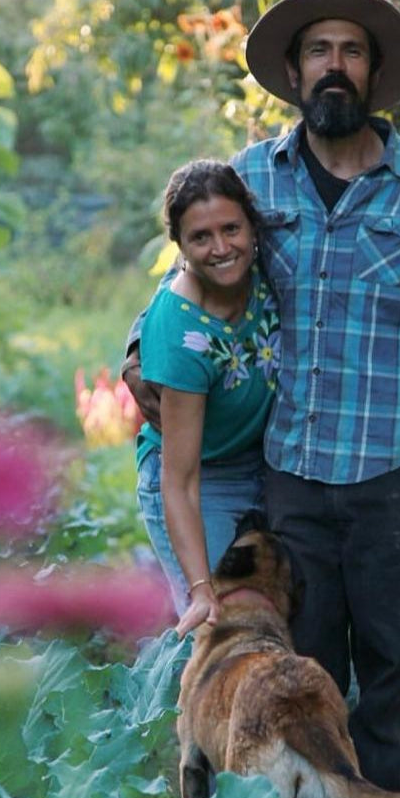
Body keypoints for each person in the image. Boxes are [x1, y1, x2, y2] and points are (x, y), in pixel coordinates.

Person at [125, 0, 400, 797]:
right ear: (293, 71)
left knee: (395, 670)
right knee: (302, 666)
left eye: (351, 51)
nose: (334, 66)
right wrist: (138, 350)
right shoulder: (254, 179)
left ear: (373, 72)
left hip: (399, 463)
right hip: (293, 468)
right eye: (318, 51)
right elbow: (191, 274)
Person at [133, 159, 280, 639]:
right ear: (179, 246)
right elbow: (181, 481)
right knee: (215, 628)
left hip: (263, 465)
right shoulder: (181, 331)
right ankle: (157, 708)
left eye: (231, 229)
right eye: (201, 237)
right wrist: (199, 586)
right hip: (198, 478)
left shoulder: (268, 272)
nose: (221, 248)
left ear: (252, 224)